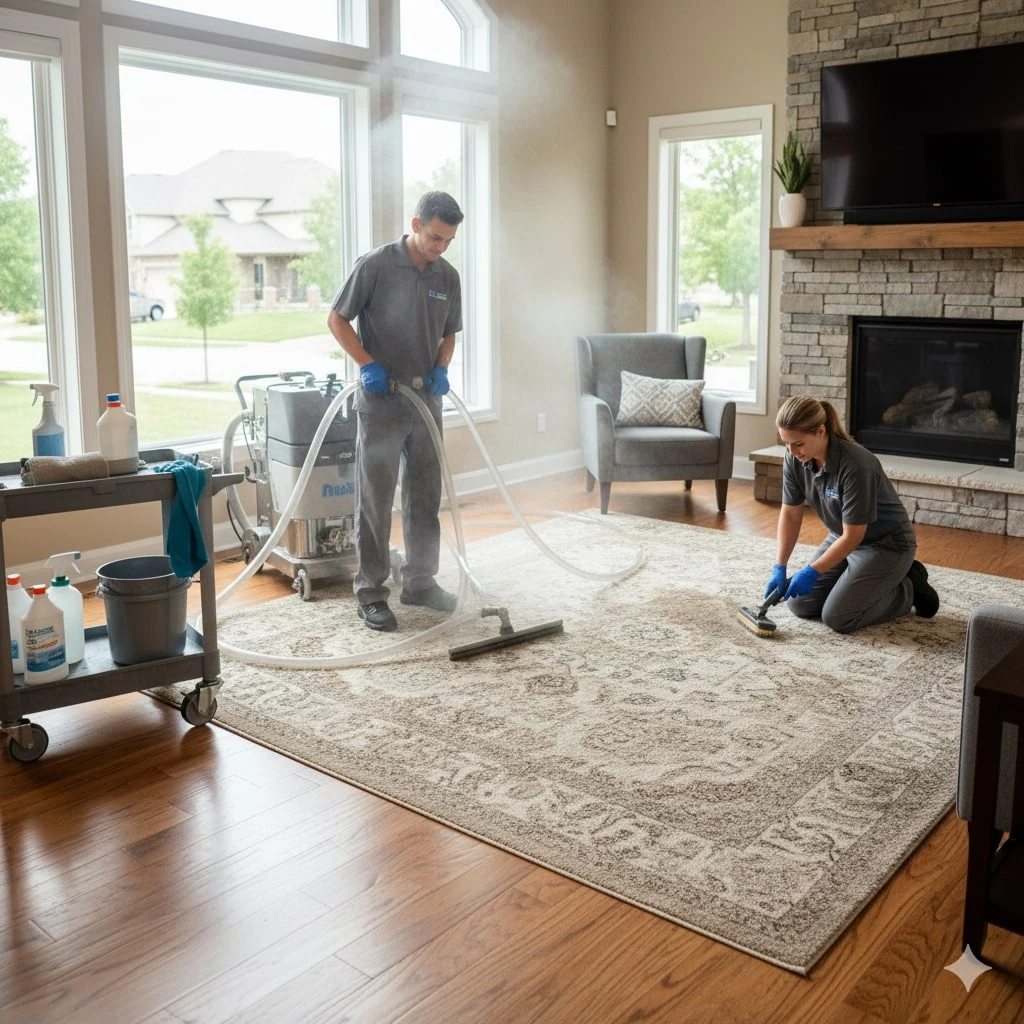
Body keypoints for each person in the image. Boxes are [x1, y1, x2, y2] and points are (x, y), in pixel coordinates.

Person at [327, 191, 464, 631]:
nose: (439, 248)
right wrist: (367, 364)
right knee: (376, 500)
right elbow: (336, 319)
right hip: (382, 402)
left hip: (427, 403)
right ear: (417, 223)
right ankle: (370, 592)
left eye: (448, 241)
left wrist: (442, 368)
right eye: (435, 238)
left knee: (425, 495)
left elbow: (448, 333)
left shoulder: (448, 275)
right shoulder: (376, 265)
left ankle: (421, 582)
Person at [765, 395, 940, 634]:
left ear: (820, 430)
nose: (792, 451)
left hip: (885, 545)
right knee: (800, 604)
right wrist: (780, 566)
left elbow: (854, 536)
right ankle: (858, 581)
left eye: (798, 443)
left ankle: (908, 587)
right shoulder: (795, 458)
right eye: (786, 444)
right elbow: (791, 513)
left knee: (838, 617)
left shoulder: (856, 464)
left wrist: (812, 571)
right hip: (841, 537)